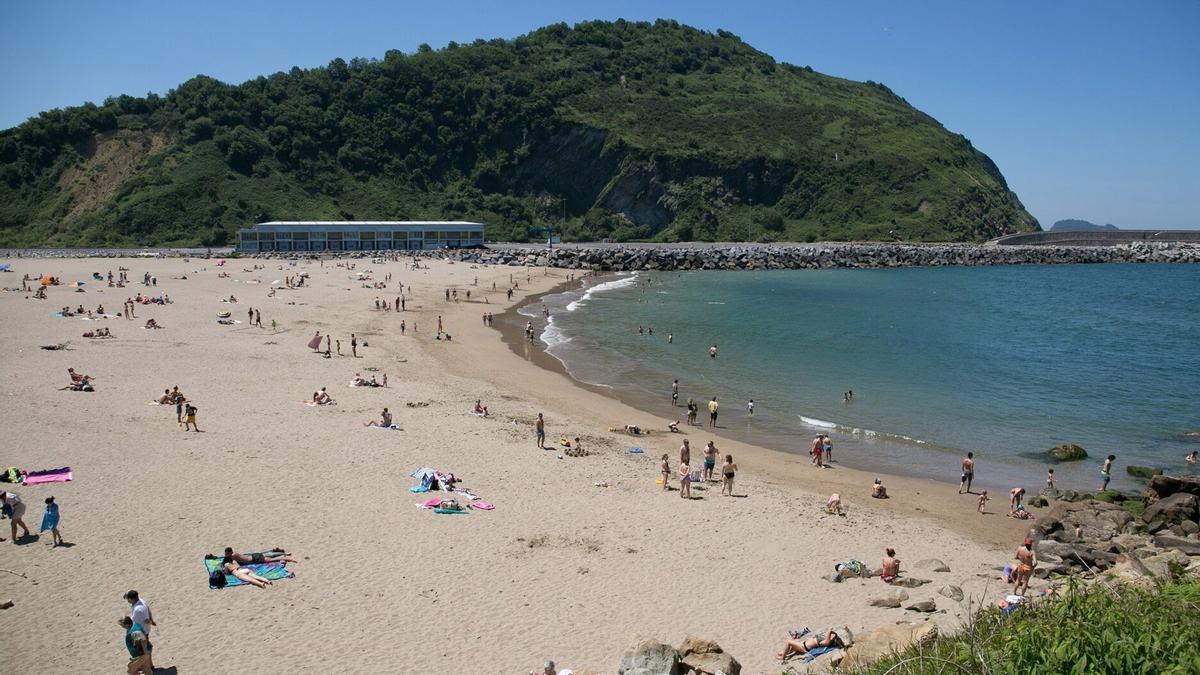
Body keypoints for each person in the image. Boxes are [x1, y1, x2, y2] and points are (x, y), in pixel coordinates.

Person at [777, 628, 843, 661]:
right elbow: (827, 636)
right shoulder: (826, 639)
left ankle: (783, 658)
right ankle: (783, 654)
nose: (834, 637)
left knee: (789, 642)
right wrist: (832, 633)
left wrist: (830, 631)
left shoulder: (827, 642)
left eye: (835, 638)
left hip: (804, 647)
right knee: (789, 648)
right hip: (802, 644)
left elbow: (827, 639)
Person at [221, 546, 295, 565]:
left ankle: (287, 558)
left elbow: (226, 562)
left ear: (230, 552)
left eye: (226, 553)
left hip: (254, 560)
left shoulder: (232, 556)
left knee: (271, 559)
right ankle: (285, 553)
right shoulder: (234, 553)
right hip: (254, 555)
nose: (225, 555)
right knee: (270, 555)